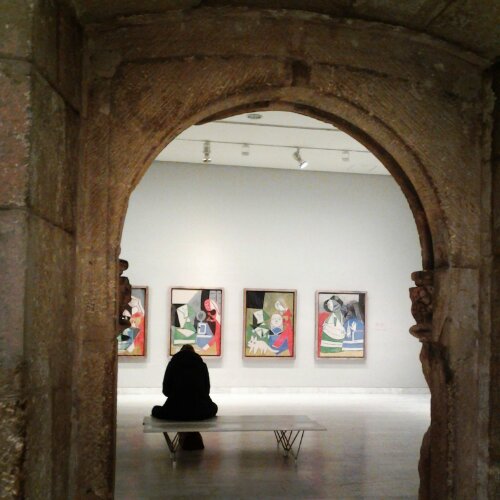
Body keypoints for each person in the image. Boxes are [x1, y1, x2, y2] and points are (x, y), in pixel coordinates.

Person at [152, 344, 218, 421]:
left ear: (180, 352)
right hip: (199, 409)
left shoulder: (173, 364)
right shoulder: (201, 365)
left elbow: (166, 391)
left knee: (156, 409)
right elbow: (206, 391)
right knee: (214, 407)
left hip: (175, 408)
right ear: (194, 353)